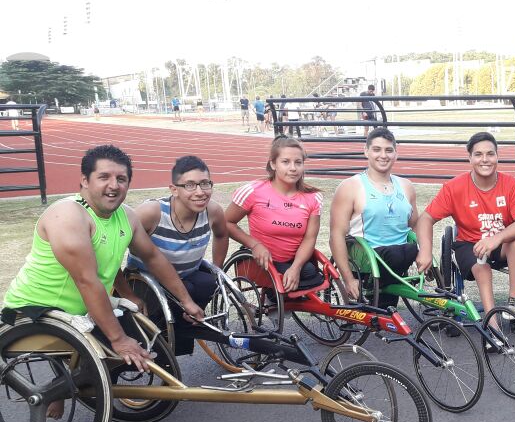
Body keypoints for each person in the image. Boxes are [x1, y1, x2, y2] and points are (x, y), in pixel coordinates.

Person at [3, 145, 205, 380]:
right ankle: (62, 386)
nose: (114, 185)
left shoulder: (126, 216)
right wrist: (118, 340)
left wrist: (186, 301)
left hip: (83, 308)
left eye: (121, 178)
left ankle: (73, 381)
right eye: (104, 177)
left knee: (148, 344)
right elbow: (87, 280)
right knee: (120, 345)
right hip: (36, 311)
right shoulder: (68, 215)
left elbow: (153, 258)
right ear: (84, 180)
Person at [415, 131, 515, 315]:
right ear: (469, 158)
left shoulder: (511, 185)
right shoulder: (454, 187)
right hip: (469, 244)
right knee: (482, 269)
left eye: (490, 154)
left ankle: (513, 302)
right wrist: (425, 250)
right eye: (478, 154)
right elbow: (426, 218)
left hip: (502, 244)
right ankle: (492, 325)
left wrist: (496, 238)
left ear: (497, 157)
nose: (484, 159)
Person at [122, 155, 229, 354]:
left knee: (209, 282)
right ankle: (168, 340)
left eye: (205, 184)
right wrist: (127, 293)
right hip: (148, 282)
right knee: (185, 291)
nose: (200, 192)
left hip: (187, 275)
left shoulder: (213, 211)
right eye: (190, 185)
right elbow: (116, 249)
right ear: (174, 189)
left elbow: (222, 235)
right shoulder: (151, 213)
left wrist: (218, 267)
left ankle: (185, 323)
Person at [330, 128, 419, 307]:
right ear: (366, 152)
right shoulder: (350, 186)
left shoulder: (406, 186)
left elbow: (416, 226)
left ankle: (386, 297)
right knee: (400, 252)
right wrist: (347, 278)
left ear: (395, 154)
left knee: (408, 249)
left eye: (388, 150)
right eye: (377, 149)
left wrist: (425, 254)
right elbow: (336, 236)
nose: (383, 155)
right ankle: (376, 292)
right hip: (367, 258)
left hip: (400, 256)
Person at [225, 136, 323, 292]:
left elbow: (310, 238)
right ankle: (273, 296)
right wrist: (254, 244)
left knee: (310, 272)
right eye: (285, 162)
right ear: (273, 164)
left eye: (298, 162)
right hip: (263, 259)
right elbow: (226, 223)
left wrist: (296, 267)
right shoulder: (253, 191)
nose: (293, 168)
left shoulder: (313, 198)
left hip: (293, 260)